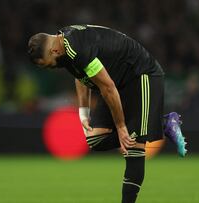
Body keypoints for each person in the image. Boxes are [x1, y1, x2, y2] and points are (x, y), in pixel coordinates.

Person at [28, 24, 187, 203]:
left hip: (140, 75)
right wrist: (83, 112)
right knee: (95, 139)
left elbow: (107, 88)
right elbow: (80, 74)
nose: (50, 68)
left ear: (54, 50)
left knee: (133, 145)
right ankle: (162, 124)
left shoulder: (75, 48)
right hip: (115, 82)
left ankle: (160, 125)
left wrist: (121, 127)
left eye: (47, 65)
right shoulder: (64, 46)